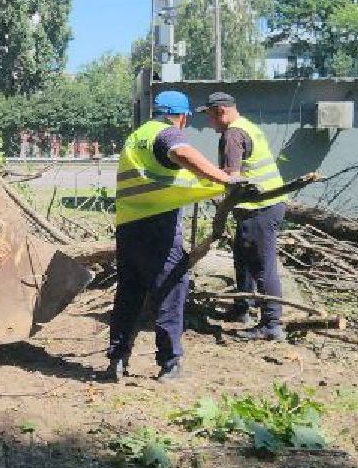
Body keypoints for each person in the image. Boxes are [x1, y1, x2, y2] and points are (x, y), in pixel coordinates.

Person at [105, 90, 236, 383]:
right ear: (183, 117)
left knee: (129, 292)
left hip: (129, 227)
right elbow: (182, 153)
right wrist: (226, 179)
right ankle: (169, 363)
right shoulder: (166, 134)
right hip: (158, 228)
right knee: (171, 289)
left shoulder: (137, 136)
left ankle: (116, 359)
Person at [199, 91, 288, 341]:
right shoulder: (247, 126)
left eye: (209, 117)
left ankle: (271, 322)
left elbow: (231, 177)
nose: (209, 123)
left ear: (221, 112)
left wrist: (202, 188)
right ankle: (242, 308)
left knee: (262, 265)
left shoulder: (233, 134)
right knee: (243, 258)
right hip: (263, 206)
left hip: (260, 208)